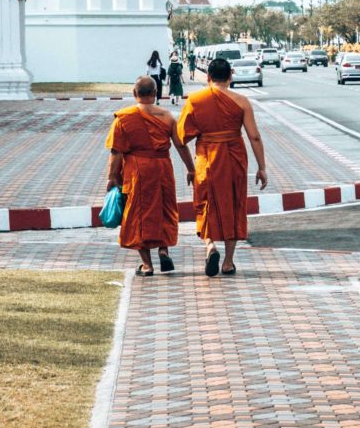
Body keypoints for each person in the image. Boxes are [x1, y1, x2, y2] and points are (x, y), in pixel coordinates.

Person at [176, 57, 268, 276]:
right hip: (234, 156)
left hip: (207, 156)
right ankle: (228, 262)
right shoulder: (242, 101)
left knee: (205, 201)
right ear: (230, 77)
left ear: (208, 77)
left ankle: (210, 245)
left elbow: (181, 137)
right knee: (234, 203)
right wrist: (262, 167)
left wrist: (190, 166)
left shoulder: (196, 100)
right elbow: (254, 136)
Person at [106, 76, 195, 276]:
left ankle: (147, 265)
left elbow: (116, 151)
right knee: (163, 209)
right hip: (162, 167)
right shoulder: (167, 116)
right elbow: (180, 145)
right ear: (156, 94)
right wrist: (191, 169)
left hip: (137, 170)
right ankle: (163, 249)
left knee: (138, 214)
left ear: (134, 94)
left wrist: (111, 177)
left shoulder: (124, 118)